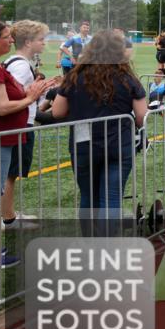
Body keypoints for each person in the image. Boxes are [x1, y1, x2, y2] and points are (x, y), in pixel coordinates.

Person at [52, 31, 147, 223]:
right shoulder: (128, 79)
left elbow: (57, 112)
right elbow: (141, 117)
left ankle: (90, 247)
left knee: (88, 197)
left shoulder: (74, 76)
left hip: (83, 143)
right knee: (111, 199)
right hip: (118, 143)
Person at [0, 20, 52, 268]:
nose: (10, 39)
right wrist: (31, 97)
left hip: (1, 137)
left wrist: (32, 92)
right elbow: (1, 105)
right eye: (5, 36)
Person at [0, 20, 53, 231]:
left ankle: (8, 212)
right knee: (10, 174)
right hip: (20, 123)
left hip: (20, 122)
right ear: (28, 42)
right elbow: (11, 95)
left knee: (9, 173)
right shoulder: (21, 66)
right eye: (41, 40)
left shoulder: (14, 61)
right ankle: (8, 218)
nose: (44, 44)